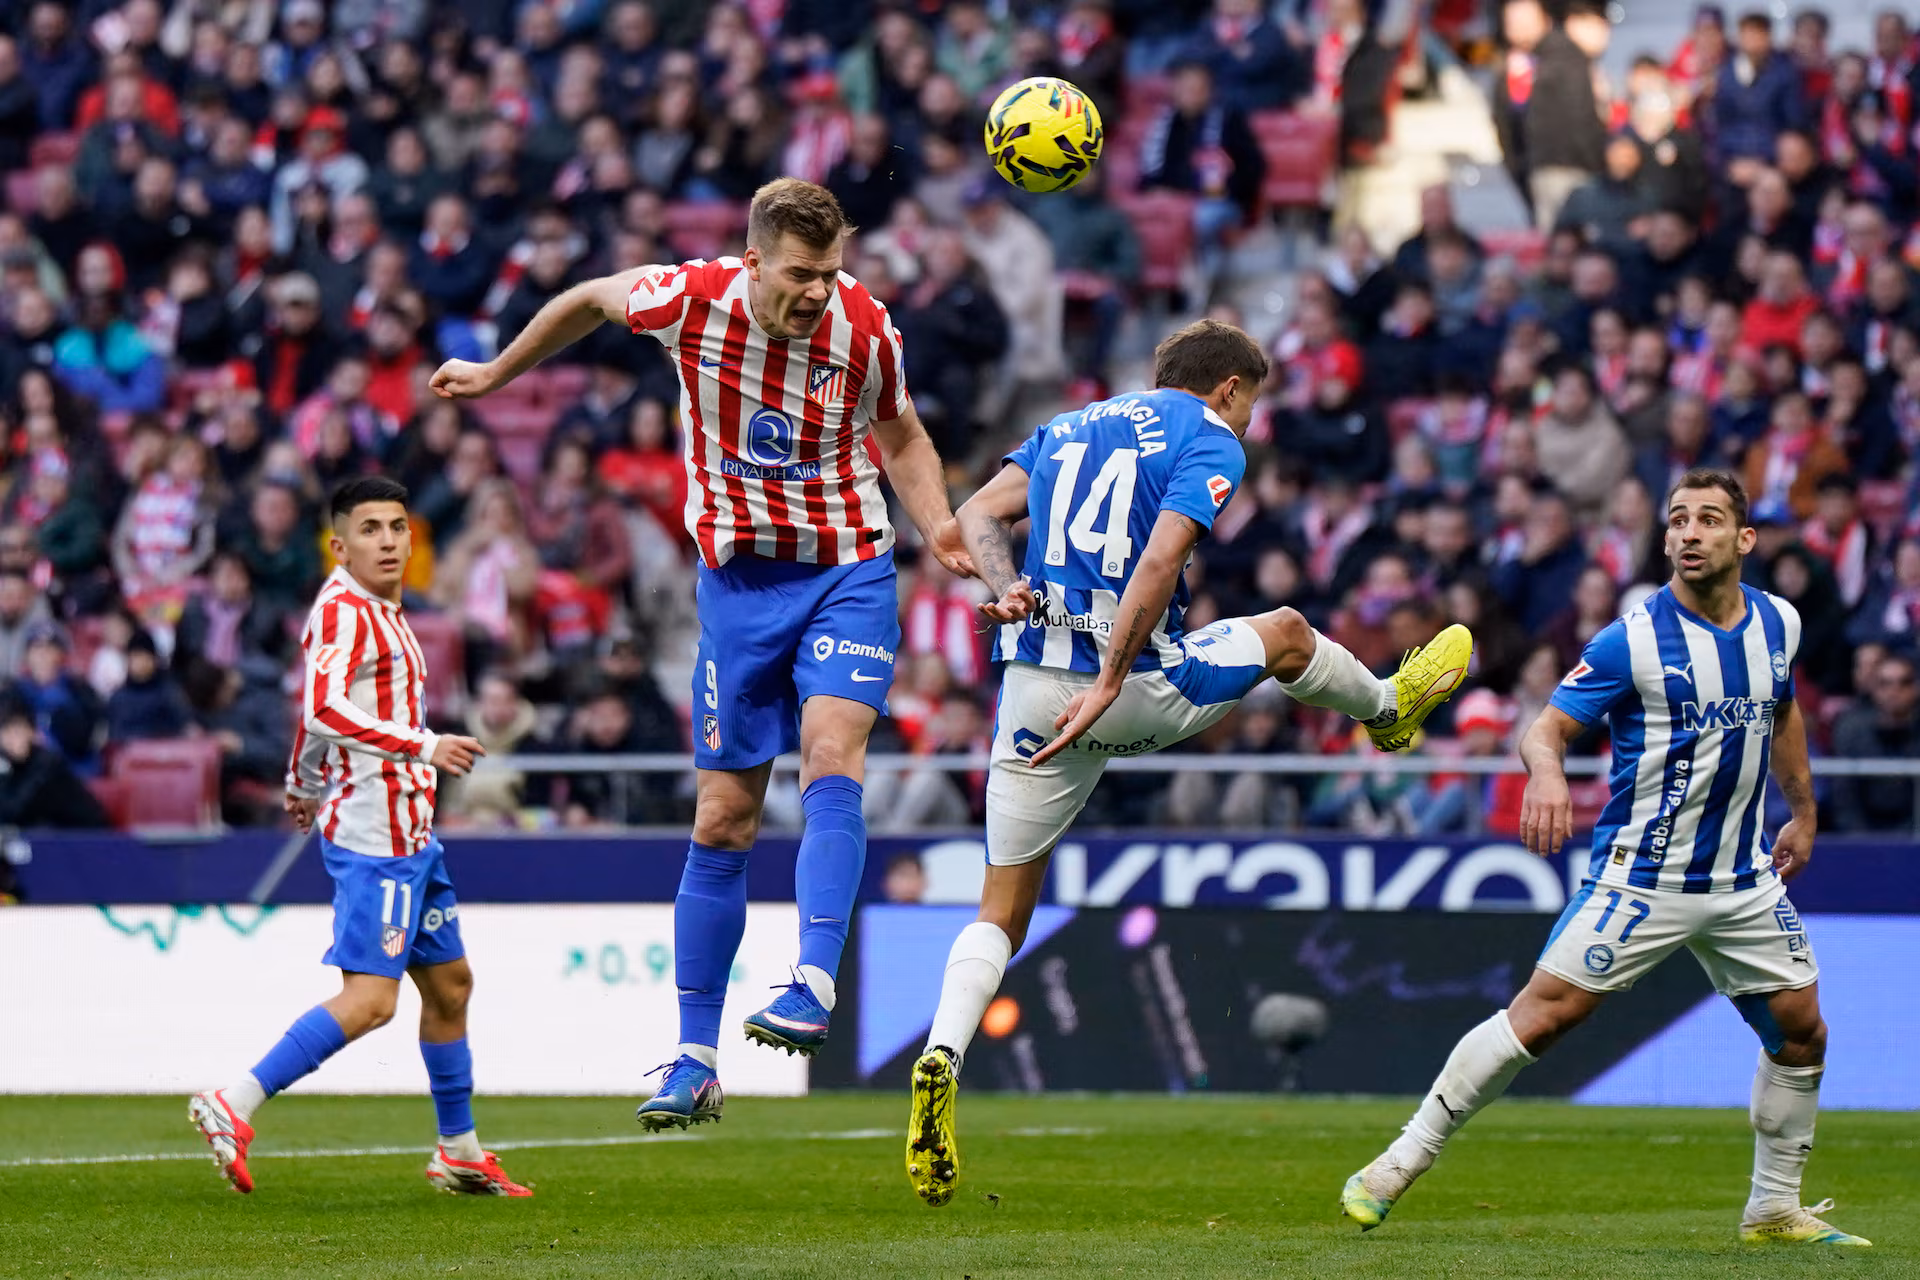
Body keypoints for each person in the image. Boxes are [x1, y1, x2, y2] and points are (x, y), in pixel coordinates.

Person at [428, 178, 970, 1130]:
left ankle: (812, 980)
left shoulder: (864, 327)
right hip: (736, 589)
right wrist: (496, 374)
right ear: (754, 261)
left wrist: (941, 527)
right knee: (722, 819)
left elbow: (904, 436)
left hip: (846, 566)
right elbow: (589, 297)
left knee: (831, 752)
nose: (818, 291)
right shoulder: (689, 299)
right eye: (800, 274)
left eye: (829, 272)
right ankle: (695, 1060)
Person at [903, 320, 1475, 1207]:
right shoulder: (1208, 435)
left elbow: (973, 514)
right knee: (1288, 632)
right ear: (1229, 387)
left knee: (1001, 909)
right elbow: (1163, 558)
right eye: (1252, 404)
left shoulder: (1072, 424)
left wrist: (1001, 583)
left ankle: (942, 1051)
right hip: (1129, 684)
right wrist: (1111, 677)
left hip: (1030, 695)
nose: (1249, 422)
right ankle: (1389, 710)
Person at [1340, 468, 1868, 1249]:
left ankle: (1773, 1208)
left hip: (1742, 878)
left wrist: (1804, 811)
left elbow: (1782, 711)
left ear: (1745, 538)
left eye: (1708, 519)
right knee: (1543, 1018)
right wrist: (1548, 775)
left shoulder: (1777, 623)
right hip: (1642, 876)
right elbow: (1545, 729)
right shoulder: (1634, 639)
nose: (1689, 533)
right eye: (1678, 520)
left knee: (1801, 1032)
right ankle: (1395, 1164)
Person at [187, 477, 529, 1199]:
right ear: (339, 547)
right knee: (372, 1000)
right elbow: (323, 710)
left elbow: (319, 719)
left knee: (451, 986)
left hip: (412, 832)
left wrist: (302, 782)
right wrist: (424, 745)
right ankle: (233, 1101)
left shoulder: (384, 610)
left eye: (397, 527)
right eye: (370, 529)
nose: (388, 541)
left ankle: (459, 1151)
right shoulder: (344, 610)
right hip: (378, 839)